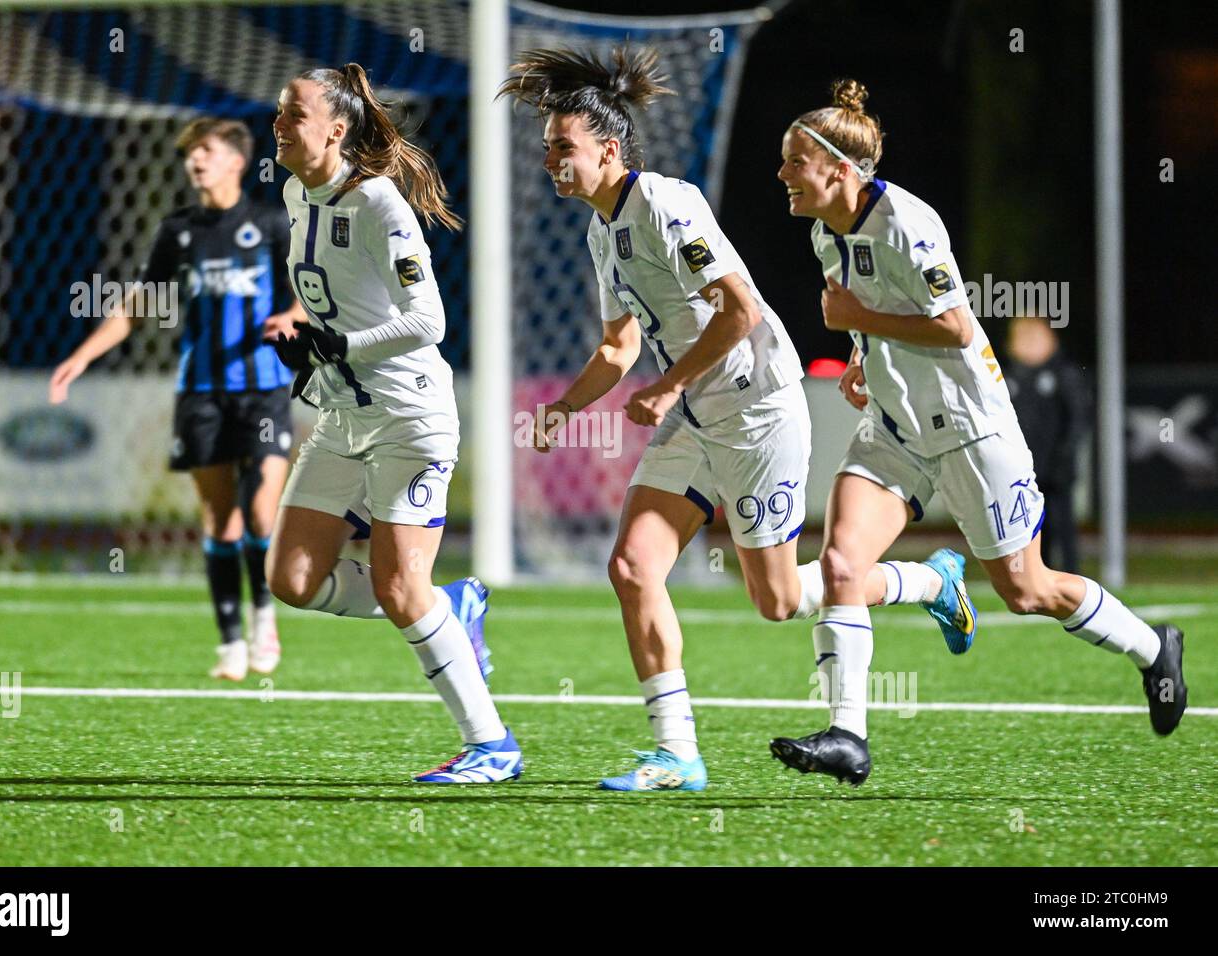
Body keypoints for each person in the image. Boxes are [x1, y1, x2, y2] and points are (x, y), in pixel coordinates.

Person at [498, 48, 976, 793]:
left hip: (757, 407)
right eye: (549, 149)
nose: (552, 161)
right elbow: (619, 345)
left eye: (565, 148)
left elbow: (740, 308)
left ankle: (929, 581)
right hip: (695, 415)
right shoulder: (602, 232)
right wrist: (564, 408)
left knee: (777, 601)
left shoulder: (664, 202)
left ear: (609, 150)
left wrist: (669, 386)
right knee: (631, 567)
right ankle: (676, 753)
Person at [771, 79, 1186, 785]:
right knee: (841, 565)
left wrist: (859, 327)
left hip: (970, 430)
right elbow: (871, 315)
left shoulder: (908, 221)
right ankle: (849, 736)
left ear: (839, 169)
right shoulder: (823, 234)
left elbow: (955, 326)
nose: (782, 174)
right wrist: (862, 362)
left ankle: (1154, 648)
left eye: (793, 162)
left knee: (1026, 591)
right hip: (896, 429)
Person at [263, 62, 520, 784]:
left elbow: (427, 319)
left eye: (292, 114)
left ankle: (492, 745)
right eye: (280, 113)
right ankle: (454, 604)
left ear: (336, 130)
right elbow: (331, 288)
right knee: (291, 577)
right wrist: (306, 332)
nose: (278, 125)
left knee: (401, 589)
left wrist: (344, 343)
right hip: (343, 414)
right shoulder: (294, 190)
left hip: (410, 417)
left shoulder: (380, 205)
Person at [50, 117, 304, 680]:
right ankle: (231, 641)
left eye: (206, 151)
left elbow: (306, 294)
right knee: (219, 520)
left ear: (237, 161)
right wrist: (84, 355)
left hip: (262, 389)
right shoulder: (179, 231)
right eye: (191, 153)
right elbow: (138, 304)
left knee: (262, 511)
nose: (196, 161)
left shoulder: (268, 223)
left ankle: (266, 617)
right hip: (201, 392)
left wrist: (291, 316)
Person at [1005, 315, 1090, 573]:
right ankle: (1038, 576)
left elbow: (1078, 417)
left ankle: (1072, 578)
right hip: (1021, 470)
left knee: (1062, 523)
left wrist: (1066, 454)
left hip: (1056, 469)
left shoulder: (1063, 374)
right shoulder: (1006, 375)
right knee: (1031, 528)